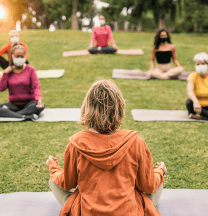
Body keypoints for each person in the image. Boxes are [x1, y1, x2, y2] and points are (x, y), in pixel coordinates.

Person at [45, 80, 167, 216]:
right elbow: (148, 185)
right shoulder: (135, 141)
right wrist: (160, 171)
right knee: (156, 184)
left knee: (53, 181)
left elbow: (67, 183)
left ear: (88, 107)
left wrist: (52, 166)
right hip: (128, 212)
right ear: (119, 108)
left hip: (88, 212)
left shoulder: (76, 143)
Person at [0, 42, 44, 120]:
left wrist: (39, 99)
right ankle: (25, 116)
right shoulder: (8, 71)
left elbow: (36, 86)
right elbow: (2, 88)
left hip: (29, 103)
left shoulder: (30, 69)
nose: (19, 59)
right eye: (17, 56)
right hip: (13, 104)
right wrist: (5, 73)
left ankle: (14, 115)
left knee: (40, 106)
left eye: (22, 56)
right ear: (12, 57)